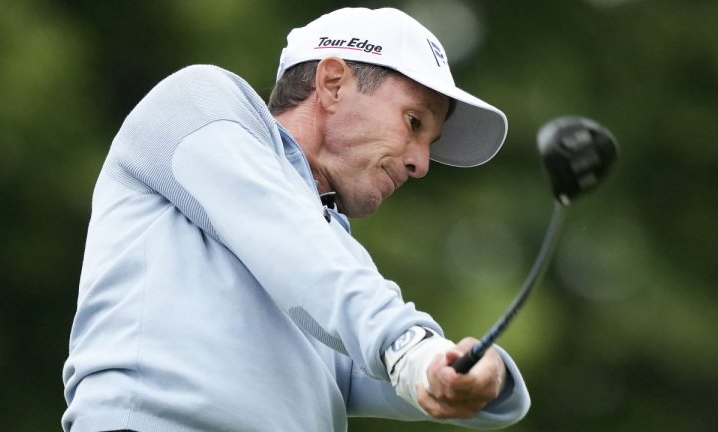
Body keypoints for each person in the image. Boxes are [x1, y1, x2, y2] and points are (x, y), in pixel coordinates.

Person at [62, 7, 530, 432]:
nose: (421, 164)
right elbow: (295, 251)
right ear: (332, 83)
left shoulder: (333, 252)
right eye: (413, 123)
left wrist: (480, 377)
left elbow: (378, 354)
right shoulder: (196, 103)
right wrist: (409, 344)